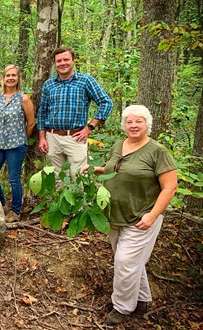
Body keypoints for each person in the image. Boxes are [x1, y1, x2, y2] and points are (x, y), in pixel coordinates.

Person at [83, 105, 177, 326]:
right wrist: (94, 169)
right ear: (124, 125)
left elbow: (170, 187)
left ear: (147, 124)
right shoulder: (119, 145)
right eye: (129, 122)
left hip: (142, 218)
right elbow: (113, 169)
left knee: (125, 261)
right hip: (115, 215)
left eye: (139, 121)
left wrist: (153, 216)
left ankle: (123, 308)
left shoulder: (157, 151)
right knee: (130, 261)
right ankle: (142, 298)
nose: (134, 125)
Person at [37, 46, 113, 175]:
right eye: (59, 61)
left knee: (79, 176)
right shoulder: (49, 84)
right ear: (55, 64)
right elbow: (42, 112)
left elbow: (106, 103)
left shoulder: (85, 81)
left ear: (73, 61)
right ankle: (59, 195)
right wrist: (42, 138)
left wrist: (89, 128)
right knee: (57, 178)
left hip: (76, 137)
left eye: (66, 59)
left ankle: (81, 195)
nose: (62, 63)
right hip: (52, 137)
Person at [0, 65, 35, 222]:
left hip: (16, 144)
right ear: (3, 78)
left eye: (13, 75)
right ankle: (1, 203)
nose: (10, 78)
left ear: (18, 78)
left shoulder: (24, 99)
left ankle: (15, 210)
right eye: (8, 75)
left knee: (14, 178)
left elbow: (31, 123)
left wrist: (22, 139)